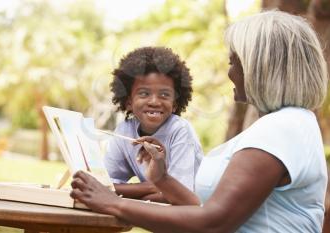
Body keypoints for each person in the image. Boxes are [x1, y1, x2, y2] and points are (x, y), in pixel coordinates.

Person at [71, 10, 328, 232]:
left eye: (233, 62)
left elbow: (213, 223)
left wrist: (113, 202)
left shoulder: (282, 129)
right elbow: (204, 209)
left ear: (260, 67)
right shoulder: (288, 124)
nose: (229, 73)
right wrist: (162, 179)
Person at [103, 46, 204, 203]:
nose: (154, 102)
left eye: (164, 94)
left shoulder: (180, 131)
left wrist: (137, 192)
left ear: (175, 104)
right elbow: (106, 185)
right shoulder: (124, 130)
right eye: (144, 93)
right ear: (129, 102)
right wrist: (151, 187)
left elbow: (180, 196)